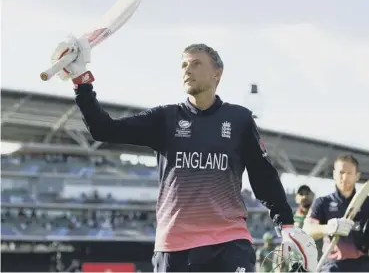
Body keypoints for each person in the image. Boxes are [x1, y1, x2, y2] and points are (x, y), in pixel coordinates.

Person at [50, 36, 318, 272]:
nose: (188, 70)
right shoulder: (165, 118)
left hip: (228, 241)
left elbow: (262, 174)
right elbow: (103, 129)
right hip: (174, 246)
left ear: (217, 73)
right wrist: (81, 81)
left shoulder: (239, 119)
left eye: (196, 63)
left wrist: (286, 224)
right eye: (184, 65)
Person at [303, 154, 369, 272]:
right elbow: (307, 229)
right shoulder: (323, 202)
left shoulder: (367, 203)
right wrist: (328, 228)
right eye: (341, 172)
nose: (345, 177)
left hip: (364, 265)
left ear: (357, 176)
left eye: (349, 173)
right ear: (334, 174)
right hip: (333, 266)